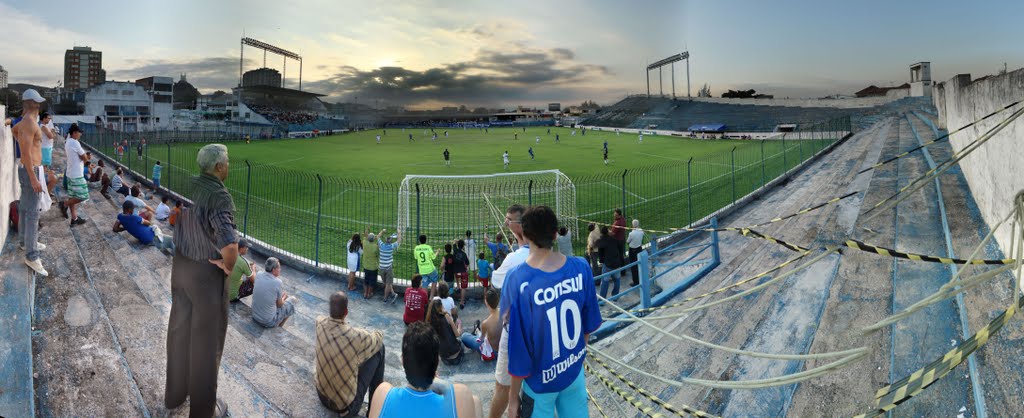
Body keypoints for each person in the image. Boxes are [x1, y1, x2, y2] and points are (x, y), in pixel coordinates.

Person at [504, 205, 601, 418]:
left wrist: (512, 400)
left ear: (526, 235)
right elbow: (590, 323)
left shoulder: (518, 280)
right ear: (555, 234)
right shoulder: (582, 267)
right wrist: (574, 357)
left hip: (539, 384)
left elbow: (519, 350)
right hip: (573, 373)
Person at [165, 143, 237, 417]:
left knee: (179, 331)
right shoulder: (218, 195)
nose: (228, 166)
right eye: (227, 162)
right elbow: (230, 247)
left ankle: (174, 396)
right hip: (206, 275)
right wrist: (227, 265)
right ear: (219, 167)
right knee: (206, 345)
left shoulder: (188, 183)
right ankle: (203, 411)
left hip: (181, 266)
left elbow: (176, 216)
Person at [368, 322, 482, 418]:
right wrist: (437, 382)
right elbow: (454, 391)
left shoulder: (382, 393)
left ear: (403, 361)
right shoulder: (461, 395)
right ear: (437, 362)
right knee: (476, 401)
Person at [488, 204, 530, 418]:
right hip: (537, 328)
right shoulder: (543, 253)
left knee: (502, 387)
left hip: (514, 330)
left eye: (509, 220)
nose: (505, 223)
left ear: (520, 226)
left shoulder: (514, 259)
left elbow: (496, 281)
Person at [316, 291, 386, 417]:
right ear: (346, 312)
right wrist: (374, 331)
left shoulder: (319, 322)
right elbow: (378, 338)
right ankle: (374, 410)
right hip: (345, 408)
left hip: (321, 395)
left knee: (352, 353)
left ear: (330, 309)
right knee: (380, 349)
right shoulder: (355, 336)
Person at [12, 89, 49, 276]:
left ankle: (25, 243)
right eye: (37, 102)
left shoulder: (26, 123)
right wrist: (34, 178)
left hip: (28, 170)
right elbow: (25, 153)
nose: (40, 105)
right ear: (32, 103)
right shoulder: (29, 122)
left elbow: (14, 130)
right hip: (30, 171)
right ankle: (32, 256)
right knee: (33, 213)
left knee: (26, 208)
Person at [252, 257, 296, 328]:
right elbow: (279, 305)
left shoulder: (259, 274)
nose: (280, 270)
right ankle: (279, 327)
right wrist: (284, 297)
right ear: (273, 270)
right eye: (279, 268)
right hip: (267, 321)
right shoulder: (277, 282)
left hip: (255, 316)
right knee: (292, 300)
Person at [61, 124, 90, 226]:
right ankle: (64, 204)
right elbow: (84, 157)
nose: (80, 134)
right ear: (74, 133)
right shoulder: (75, 142)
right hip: (76, 174)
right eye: (79, 132)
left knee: (72, 196)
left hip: (70, 173)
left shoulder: (68, 141)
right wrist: (87, 161)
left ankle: (74, 219)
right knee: (84, 195)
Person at [460, 288, 500, 362]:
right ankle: (476, 331)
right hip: (503, 349)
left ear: (486, 302)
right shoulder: (503, 312)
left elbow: (481, 339)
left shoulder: (486, 323)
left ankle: (476, 331)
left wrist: (479, 335)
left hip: (492, 352)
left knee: (464, 336)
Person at [426, 299, 464, 366]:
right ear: (441, 307)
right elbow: (457, 334)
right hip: (456, 355)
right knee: (462, 339)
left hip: (445, 358)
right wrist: (459, 326)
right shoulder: (446, 316)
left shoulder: (429, 323)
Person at [596, 226, 624, 298]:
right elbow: (619, 247)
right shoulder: (613, 239)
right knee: (617, 280)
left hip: (608, 264)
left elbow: (600, 252)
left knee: (605, 282)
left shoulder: (601, 241)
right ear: (608, 232)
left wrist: (601, 261)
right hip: (617, 263)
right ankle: (615, 296)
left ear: (601, 233)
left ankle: (602, 299)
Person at [378, 229, 401, 303]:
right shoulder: (391, 246)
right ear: (391, 241)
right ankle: (385, 298)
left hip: (381, 268)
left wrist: (382, 231)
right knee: (388, 284)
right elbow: (399, 241)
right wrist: (399, 233)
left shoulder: (381, 245)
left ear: (385, 240)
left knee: (386, 283)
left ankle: (393, 293)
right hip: (388, 268)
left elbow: (377, 237)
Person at [626, 219, 645, 286]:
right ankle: (641, 279)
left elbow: (627, 241)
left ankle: (636, 281)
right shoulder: (641, 231)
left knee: (633, 266)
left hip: (632, 250)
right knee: (639, 264)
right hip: (639, 249)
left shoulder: (631, 234)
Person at [363, 228, 380, 300]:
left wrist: (367, 229)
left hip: (366, 266)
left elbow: (365, 236)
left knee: (366, 280)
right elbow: (378, 254)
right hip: (373, 267)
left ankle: (365, 293)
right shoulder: (375, 247)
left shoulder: (364, 243)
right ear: (374, 239)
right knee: (372, 281)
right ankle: (369, 293)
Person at [454, 240, 470, 309]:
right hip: (463, 272)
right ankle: (462, 302)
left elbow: (454, 242)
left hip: (456, 271)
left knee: (457, 275)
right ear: (463, 246)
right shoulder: (464, 254)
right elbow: (467, 263)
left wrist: (457, 242)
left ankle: (458, 286)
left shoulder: (455, 250)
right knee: (463, 288)